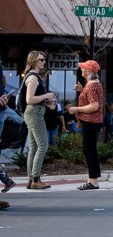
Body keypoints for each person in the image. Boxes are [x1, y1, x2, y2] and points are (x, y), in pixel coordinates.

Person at [21, 51, 57, 189]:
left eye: (44, 59)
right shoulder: (33, 78)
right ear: (34, 61)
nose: (44, 62)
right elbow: (29, 99)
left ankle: (31, 180)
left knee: (34, 147)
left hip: (33, 112)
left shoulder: (33, 77)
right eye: (41, 60)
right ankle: (36, 179)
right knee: (43, 145)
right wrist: (47, 95)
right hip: (34, 114)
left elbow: (33, 99)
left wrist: (47, 103)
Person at [67, 60, 104, 190]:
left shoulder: (92, 85)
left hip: (91, 122)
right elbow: (93, 100)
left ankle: (93, 181)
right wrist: (82, 90)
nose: (81, 70)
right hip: (93, 122)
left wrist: (76, 109)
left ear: (89, 71)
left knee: (90, 151)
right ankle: (92, 179)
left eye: (83, 68)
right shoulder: (93, 84)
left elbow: (94, 105)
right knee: (89, 150)